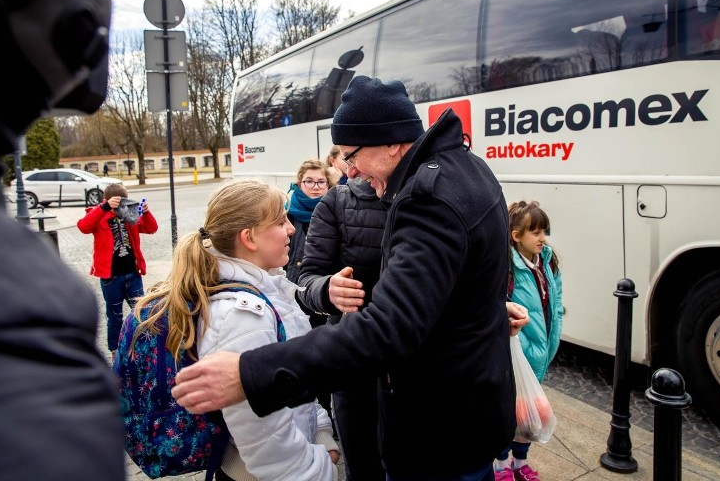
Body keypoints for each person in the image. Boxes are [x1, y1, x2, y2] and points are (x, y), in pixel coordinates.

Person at [174, 76, 529, 480]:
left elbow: (389, 327)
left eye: (351, 154)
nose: (349, 169)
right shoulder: (465, 168)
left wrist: (251, 374)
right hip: (467, 416)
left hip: (441, 429)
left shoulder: (426, 199)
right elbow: (462, 276)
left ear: (392, 142)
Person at [0, 0, 135, 479]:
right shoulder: (9, 322)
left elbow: (146, 233)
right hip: (107, 272)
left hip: (128, 270)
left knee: (127, 314)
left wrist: (133, 215)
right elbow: (83, 233)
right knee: (112, 313)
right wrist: (105, 212)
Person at [130, 179, 339, 481]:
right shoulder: (243, 316)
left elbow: (291, 383)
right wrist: (318, 470)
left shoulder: (266, 289)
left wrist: (319, 432)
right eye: (281, 221)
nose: (291, 229)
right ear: (249, 238)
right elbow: (259, 430)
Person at [296, 176, 388, 481]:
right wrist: (327, 290)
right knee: (363, 461)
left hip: (417, 362)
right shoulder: (338, 201)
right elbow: (307, 278)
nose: (351, 166)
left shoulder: (427, 192)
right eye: (348, 157)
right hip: (354, 358)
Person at [494, 201, 563, 481]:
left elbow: (556, 303)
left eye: (544, 231)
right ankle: (500, 466)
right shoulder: (508, 267)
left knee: (531, 413)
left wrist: (553, 335)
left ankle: (520, 463)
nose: (542, 238)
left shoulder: (547, 261)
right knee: (506, 416)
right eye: (535, 232)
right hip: (515, 357)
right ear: (516, 236)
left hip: (540, 354)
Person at [77, 184, 158, 359]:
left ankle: (143, 348)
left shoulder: (129, 214)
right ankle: (115, 352)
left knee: (141, 312)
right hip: (111, 277)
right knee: (114, 317)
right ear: (106, 201)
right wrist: (104, 207)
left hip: (132, 273)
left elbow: (151, 228)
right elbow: (83, 226)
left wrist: (146, 212)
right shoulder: (98, 215)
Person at [285, 158, 334, 425]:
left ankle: (326, 411)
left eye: (320, 182)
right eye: (309, 181)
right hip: (294, 293)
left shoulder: (334, 209)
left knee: (324, 355)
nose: (315, 187)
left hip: (323, 294)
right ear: (299, 182)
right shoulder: (289, 213)